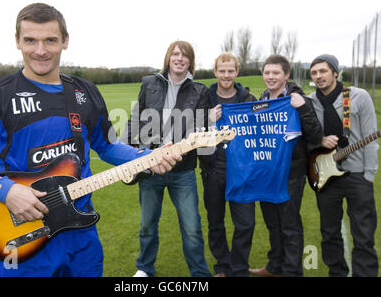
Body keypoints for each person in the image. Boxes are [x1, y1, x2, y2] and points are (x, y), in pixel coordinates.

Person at [0, 3, 180, 277]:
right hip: (24, 241)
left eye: (50, 40)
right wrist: (6, 191)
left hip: (81, 239)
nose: (40, 50)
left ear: (65, 41)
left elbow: (107, 146)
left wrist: (146, 159)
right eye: (30, 40)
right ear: (17, 41)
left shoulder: (84, 92)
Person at [122, 40, 211, 277]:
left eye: (185, 55)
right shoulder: (149, 83)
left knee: (192, 228)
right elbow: (136, 117)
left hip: (183, 170)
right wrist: (125, 147)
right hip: (151, 166)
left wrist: (196, 135)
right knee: (147, 225)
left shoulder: (200, 90)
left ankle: (200, 274)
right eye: (176, 54)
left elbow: (201, 126)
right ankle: (144, 268)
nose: (180, 59)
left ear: (191, 61)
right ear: (168, 58)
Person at [249, 55, 322, 277]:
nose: (270, 77)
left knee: (289, 224)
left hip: (291, 173)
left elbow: (316, 136)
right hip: (266, 172)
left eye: (275, 73)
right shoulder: (260, 100)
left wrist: (303, 110)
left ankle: (292, 271)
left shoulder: (298, 100)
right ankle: (274, 267)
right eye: (267, 72)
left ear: (286, 75)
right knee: (272, 223)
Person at [308, 54, 379, 277]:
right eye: (314, 73)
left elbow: (371, 137)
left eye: (323, 71)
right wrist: (319, 140)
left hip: (358, 176)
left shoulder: (359, 97)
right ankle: (336, 273)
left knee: (363, 235)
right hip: (326, 177)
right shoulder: (309, 102)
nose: (318, 76)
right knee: (329, 233)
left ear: (335, 73)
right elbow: (303, 137)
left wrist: (368, 175)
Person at [199, 52, 257, 277]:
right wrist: (207, 119)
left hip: (242, 172)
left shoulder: (248, 100)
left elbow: (259, 132)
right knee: (216, 222)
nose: (226, 75)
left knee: (246, 224)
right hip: (213, 170)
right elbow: (191, 132)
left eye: (230, 70)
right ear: (215, 72)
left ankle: (239, 268)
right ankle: (223, 266)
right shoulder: (204, 99)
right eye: (221, 71)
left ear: (237, 72)